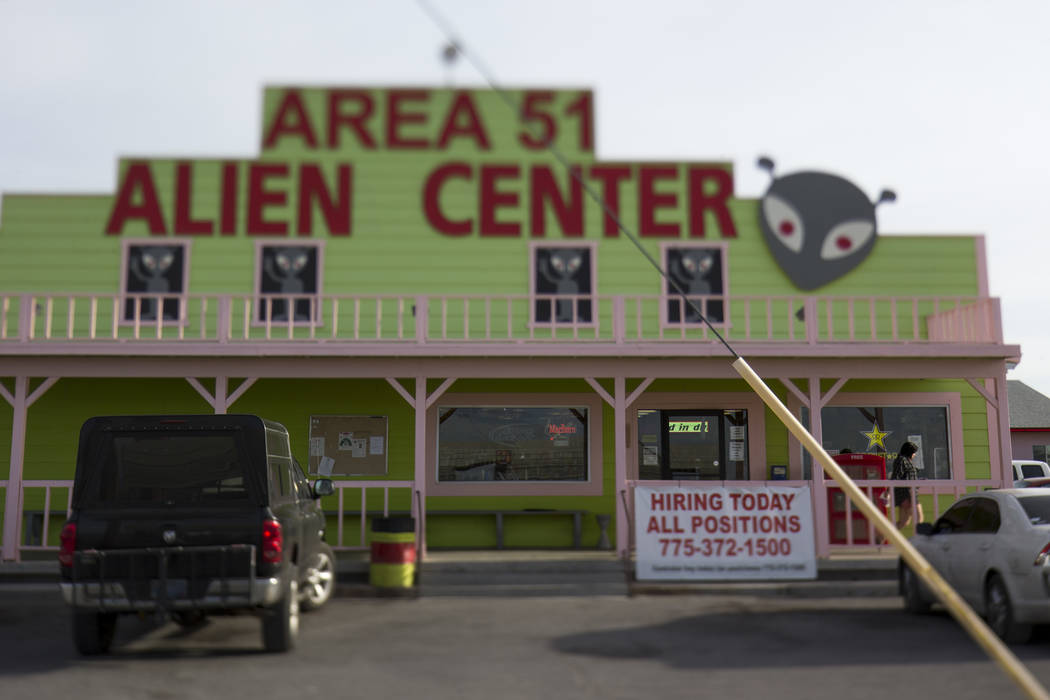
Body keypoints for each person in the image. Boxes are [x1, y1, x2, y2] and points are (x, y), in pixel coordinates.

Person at [891, 441, 923, 528]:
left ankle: (880, 538)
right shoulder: (901, 460)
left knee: (904, 522)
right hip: (907, 493)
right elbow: (896, 477)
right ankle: (919, 540)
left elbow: (908, 476)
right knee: (919, 517)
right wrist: (902, 498)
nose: (914, 455)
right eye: (913, 453)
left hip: (910, 492)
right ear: (909, 452)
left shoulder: (907, 461)